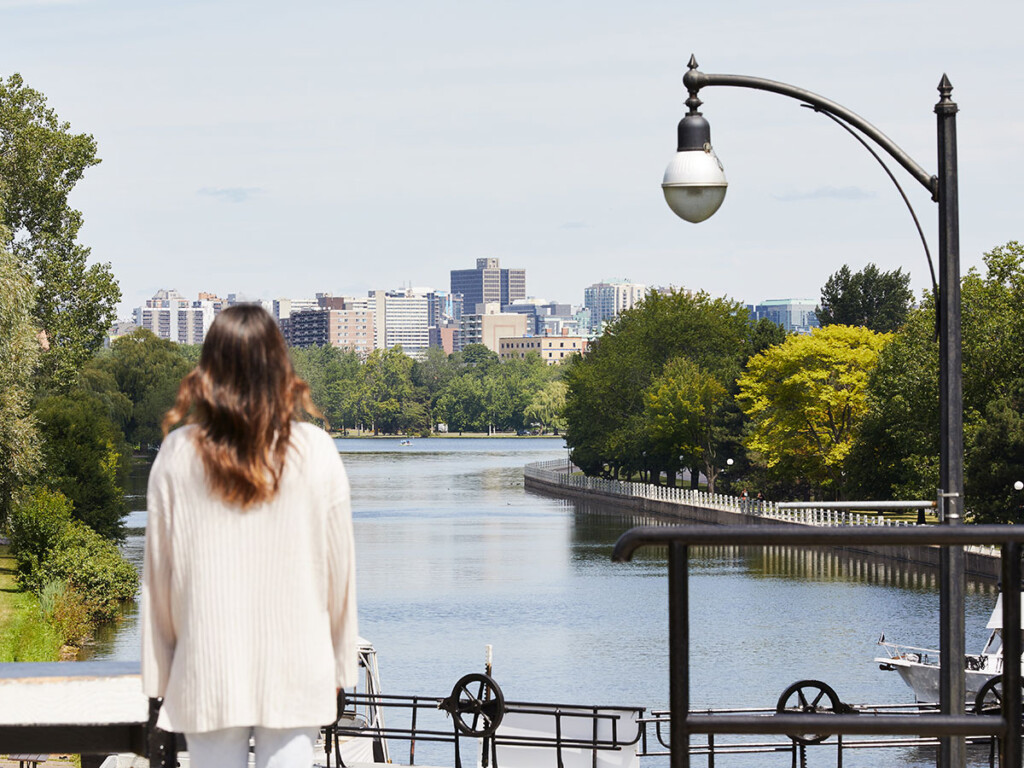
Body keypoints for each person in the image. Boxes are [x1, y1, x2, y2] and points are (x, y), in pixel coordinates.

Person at [141, 304, 358, 768]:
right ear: (279, 368)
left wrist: (159, 680)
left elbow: (158, 581)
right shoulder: (316, 452)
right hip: (296, 664)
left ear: (209, 370)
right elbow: (340, 576)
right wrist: (341, 666)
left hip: (207, 664)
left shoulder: (178, 454)